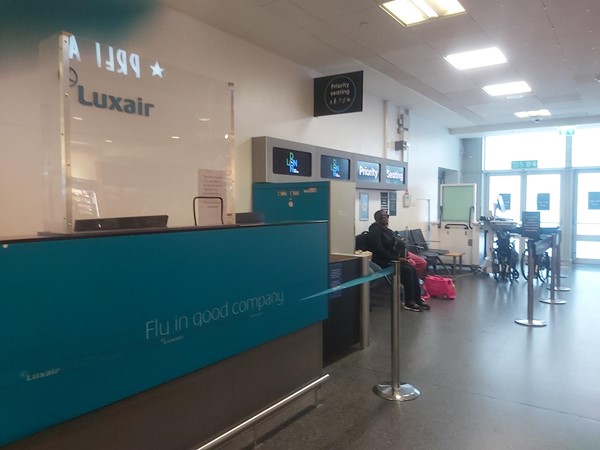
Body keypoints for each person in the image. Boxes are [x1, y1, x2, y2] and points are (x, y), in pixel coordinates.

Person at [368, 210, 430, 311]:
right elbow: (379, 250)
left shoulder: (387, 230)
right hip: (383, 262)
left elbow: (395, 244)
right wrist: (396, 258)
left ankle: (417, 299)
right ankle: (409, 302)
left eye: (386, 215)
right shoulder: (375, 231)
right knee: (407, 270)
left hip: (393, 259)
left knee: (411, 268)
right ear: (376, 218)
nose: (384, 217)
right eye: (382, 216)